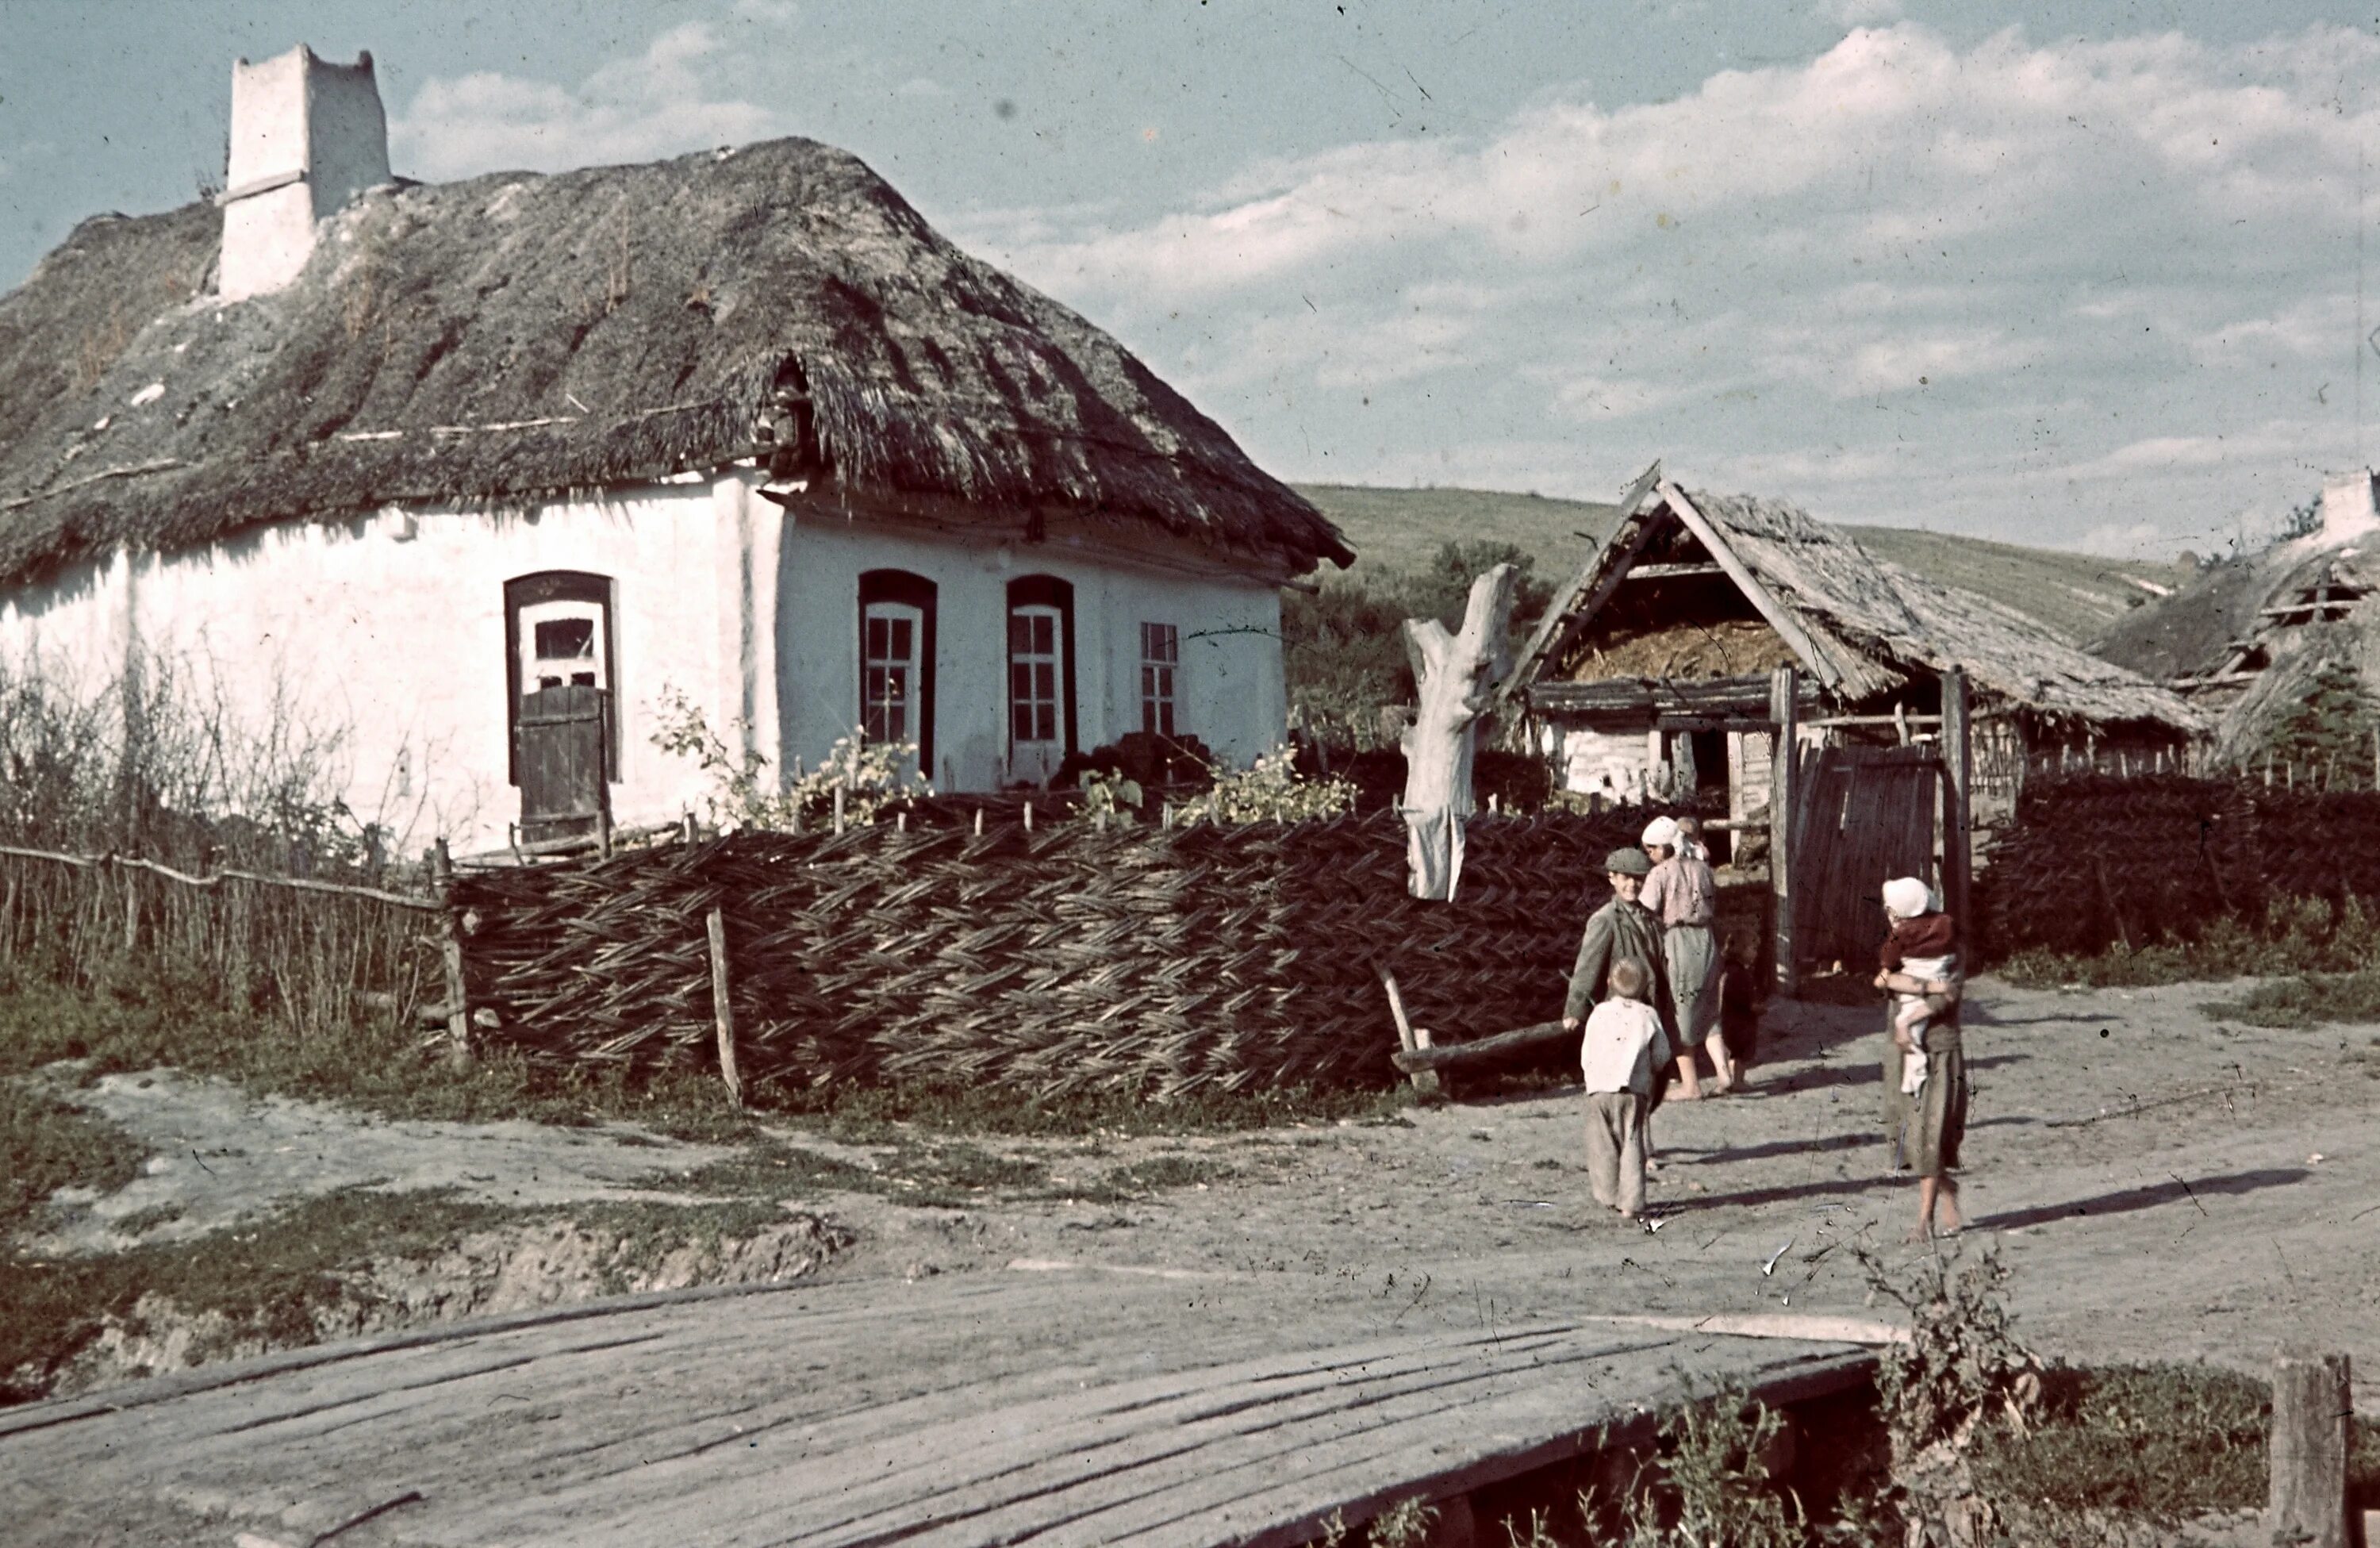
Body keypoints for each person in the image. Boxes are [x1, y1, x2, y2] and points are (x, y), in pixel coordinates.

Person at [1563, 846, 1678, 1162]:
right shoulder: (1605, 920)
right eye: (1626, 879)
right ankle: (1636, 1148)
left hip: (1651, 1011)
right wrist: (1575, 1009)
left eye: (1639, 880)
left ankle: (1641, 1141)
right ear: (1612, 878)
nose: (1633, 886)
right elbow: (1587, 966)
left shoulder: (1651, 920)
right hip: (1621, 1017)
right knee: (1632, 1082)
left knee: (1657, 1078)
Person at [1872, 877, 1969, 1241]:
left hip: (1939, 1047)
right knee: (1909, 1135)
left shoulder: (1950, 942)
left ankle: (1923, 1221)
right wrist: (1926, 986)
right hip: (1901, 1049)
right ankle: (1946, 1188)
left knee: (1932, 1131)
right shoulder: (1903, 942)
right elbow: (1883, 981)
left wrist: (1912, 1003)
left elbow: (1950, 995)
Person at [1640, 815, 1731, 1097]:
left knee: (1681, 1011)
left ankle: (1691, 1085)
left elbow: (1646, 908)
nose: (1650, 854)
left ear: (1665, 847)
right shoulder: (1704, 869)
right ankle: (1723, 1073)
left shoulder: (1661, 873)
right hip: (1706, 938)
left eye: (1652, 848)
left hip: (1679, 941)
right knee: (1709, 1007)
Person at [1579, 958, 1664, 1219]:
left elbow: (1587, 1051)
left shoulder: (1598, 1013)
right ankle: (1630, 1202)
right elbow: (1662, 1053)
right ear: (1644, 988)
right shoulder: (1647, 1015)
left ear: (1609, 984)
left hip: (1599, 1086)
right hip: (1633, 1088)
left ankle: (1606, 1193)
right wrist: (1654, 1068)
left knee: (1602, 1142)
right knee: (1632, 1142)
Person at [1876, 878, 1957, 1098]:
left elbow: (1884, 978)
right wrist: (1935, 986)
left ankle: (1916, 1070)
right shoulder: (1946, 925)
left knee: (1911, 1029)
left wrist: (1888, 972)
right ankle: (1914, 1072)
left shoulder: (1901, 935)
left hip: (1937, 1040)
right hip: (1935, 977)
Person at [1715, 931, 1762, 1087]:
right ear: (1742, 950)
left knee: (1732, 1052)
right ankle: (1739, 1081)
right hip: (1742, 1020)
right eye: (1753, 949)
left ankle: (1730, 1079)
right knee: (1741, 1054)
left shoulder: (1726, 970)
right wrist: (1758, 1009)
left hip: (1727, 1018)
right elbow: (1746, 1000)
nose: (1756, 953)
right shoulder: (1742, 974)